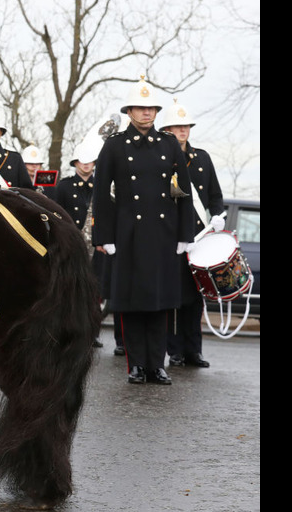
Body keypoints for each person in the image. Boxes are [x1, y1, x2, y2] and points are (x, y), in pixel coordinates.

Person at [91, 75, 195, 385]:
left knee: (159, 301)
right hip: (128, 234)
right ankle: (136, 364)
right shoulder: (114, 145)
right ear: (130, 112)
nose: (146, 113)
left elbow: (184, 191)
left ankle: (157, 363)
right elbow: (100, 194)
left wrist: (184, 235)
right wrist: (104, 237)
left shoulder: (168, 144)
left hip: (163, 233)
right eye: (140, 108)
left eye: (150, 108)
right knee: (133, 302)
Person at [159, 99, 225, 368]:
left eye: (185, 126)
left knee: (196, 297)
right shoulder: (162, 160)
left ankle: (193, 350)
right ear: (167, 131)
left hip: (199, 238)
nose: (183, 131)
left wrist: (218, 215)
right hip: (172, 238)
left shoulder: (203, 158)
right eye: (177, 127)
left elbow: (214, 194)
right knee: (175, 298)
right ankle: (174, 350)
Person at [53, 138, 106, 347]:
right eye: (81, 161)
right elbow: (57, 216)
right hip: (73, 246)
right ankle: (70, 332)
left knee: (95, 292)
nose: (85, 165)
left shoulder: (102, 187)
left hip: (97, 245)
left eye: (90, 161)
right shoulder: (64, 187)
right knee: (71, 290)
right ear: (75, 163)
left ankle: (91, 333)